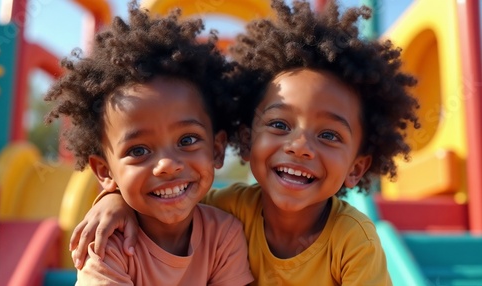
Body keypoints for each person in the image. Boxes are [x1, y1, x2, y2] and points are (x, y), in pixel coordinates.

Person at [69, 0, 420, 285]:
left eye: (328, 135)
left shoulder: (353, 242)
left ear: (356, 168)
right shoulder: (229, 211)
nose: (300, 147)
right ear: (247, 140)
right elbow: (170, 193)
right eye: (280, 124)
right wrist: (113, 199)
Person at [44, 1, 254, 285]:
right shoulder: (107, 242)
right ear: (106, 172)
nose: (166, 165)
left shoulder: (224, 234)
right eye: (138, 150)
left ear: (216, 149)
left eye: (187, 140)